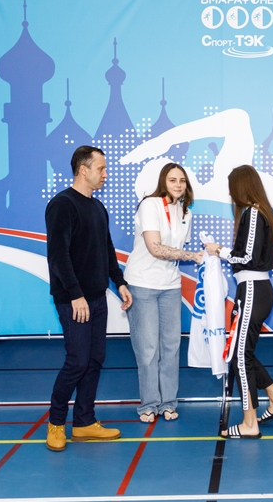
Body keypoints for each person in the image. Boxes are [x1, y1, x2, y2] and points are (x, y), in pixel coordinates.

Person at [44, 145, 133, 452]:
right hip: (74, 301)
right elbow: (59, 256)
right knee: (77, 361)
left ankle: (84, 422)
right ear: (83, 170)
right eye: (101, 169)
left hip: (96, 297)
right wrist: (76, 295)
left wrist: (119, 282)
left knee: (95, 359)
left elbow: (106, 250)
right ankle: (56, 423)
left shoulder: (97, 208)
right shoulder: (62, 205)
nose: (105, 174)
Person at [204, 165, 273, 439]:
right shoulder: (260, 212)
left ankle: (250, 423)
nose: (231, 195)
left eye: (232, 189)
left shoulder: (253, 213)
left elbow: (247, 258)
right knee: (243, 353)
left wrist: (219, 250)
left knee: (239, 356)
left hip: (253, 288)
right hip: (252, 289)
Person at [124, 163, 203, 424]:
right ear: (163, 182)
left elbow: (173, 249)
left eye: (182, 180)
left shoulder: (185, 211)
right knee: (148, 349)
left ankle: (168, 403)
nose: (178, 185)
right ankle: (148, 404)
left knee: (171, 347)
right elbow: (156, 248)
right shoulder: (150, 205)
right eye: (172, 180)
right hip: (142, 283)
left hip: (170, 285)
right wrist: (192, 256)